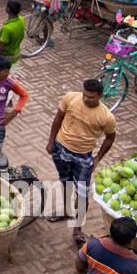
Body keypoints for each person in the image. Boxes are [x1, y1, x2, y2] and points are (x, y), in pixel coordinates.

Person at [46, 79, 117, 243]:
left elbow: (110, 139)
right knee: (65, 182)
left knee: (82, 194)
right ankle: (66, 211)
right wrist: (51, 141)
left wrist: (97, 159)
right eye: (84, 95)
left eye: (91, 97)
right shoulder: (70, 97)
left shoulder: (107, 117)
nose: (86, 99)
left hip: (83, 157)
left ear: (100, 96)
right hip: (60, 148)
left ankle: (77, 229)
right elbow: (58, 118)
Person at [0, 0, 26, 64]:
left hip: (5, 58)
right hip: (16, 54)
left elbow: (0, 48)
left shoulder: (7, 29)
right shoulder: (21, 19)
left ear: (8, 9)